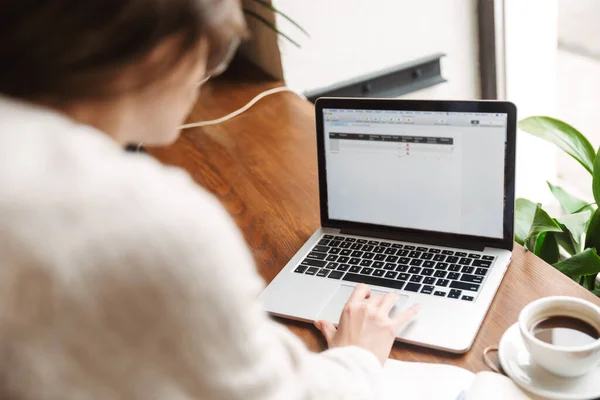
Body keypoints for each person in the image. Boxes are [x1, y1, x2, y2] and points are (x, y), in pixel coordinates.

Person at [0, 1, 420, 399]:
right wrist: (361, 356)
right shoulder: (149, 218)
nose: (204, 79)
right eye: (211, 57)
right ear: (160, 51)